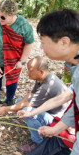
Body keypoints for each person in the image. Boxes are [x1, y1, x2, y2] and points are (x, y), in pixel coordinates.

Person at [0, 56, 69, 152]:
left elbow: (26, 105)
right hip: (49, 109)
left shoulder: (46, 86)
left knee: (26, 111)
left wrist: (5, 109)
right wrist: (15, 107)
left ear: (41, 71)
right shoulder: (43, 77)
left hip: (58, 120)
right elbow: (30, 94)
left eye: (30, 70)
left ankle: (37, 142)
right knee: (18, 102)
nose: (28, 73)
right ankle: (32, 125)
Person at [35, 9, 79, 155]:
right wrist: (56, 129)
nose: (41, 47)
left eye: (43, 42)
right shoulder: (75, 65)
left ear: (64, 42)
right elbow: (76, 104)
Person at [0, 0, 34, 109]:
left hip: (15, 59)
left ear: (12, 15)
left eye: (3, 17)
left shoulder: (23, 25)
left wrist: (22, 61)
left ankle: (10, 98)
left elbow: (29, 43)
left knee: (13, 79)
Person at [17, 85, 75, 155]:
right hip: (63, 134)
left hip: (68, 137)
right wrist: (31, 113)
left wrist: (55, 129)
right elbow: (58, 100)